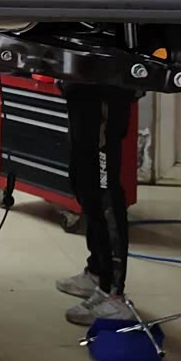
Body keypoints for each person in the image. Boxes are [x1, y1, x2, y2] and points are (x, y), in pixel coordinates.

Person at [55, 82, 139, 325]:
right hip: (83, 90)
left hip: (107, 93)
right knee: (84, 184)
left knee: (104, 191)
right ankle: (97, 271)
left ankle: (113, 294)